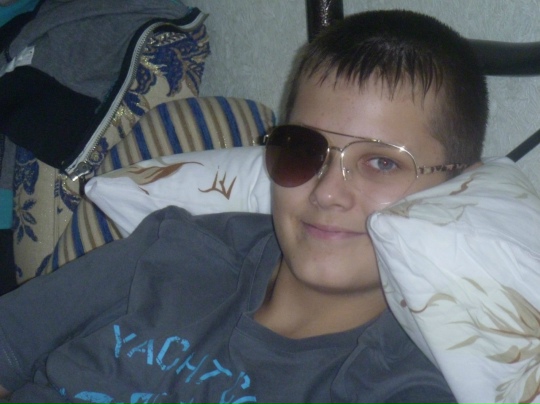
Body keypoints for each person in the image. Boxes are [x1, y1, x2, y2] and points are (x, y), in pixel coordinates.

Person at [0, 9, 487, 403]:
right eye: (304, 149)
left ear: (460, 188)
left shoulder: (405, 380)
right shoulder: (176, 248)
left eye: (381, 163)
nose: (326, 192)